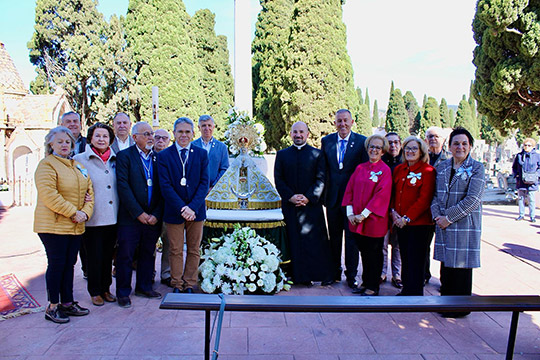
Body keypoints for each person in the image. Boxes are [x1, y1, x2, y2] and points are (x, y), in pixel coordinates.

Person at [34, 126, 93, 323]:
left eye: (67, 141)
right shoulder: (47, 165)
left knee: (70, 264)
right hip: (54, 225)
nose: (64, 145)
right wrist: (74, 212)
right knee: (57, 264)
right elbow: (50, 195)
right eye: (59, 142)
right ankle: (52, 306)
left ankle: (67, 303)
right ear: (51, 144)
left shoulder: (77, 165)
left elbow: (89, 192)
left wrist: (85, 213)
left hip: (75, 225)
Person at [431, 127, 485, 318]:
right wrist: (438, 217)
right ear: (450, 146)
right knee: (446, 266)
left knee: (461, 267)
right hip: (443, 225)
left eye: (464, 143)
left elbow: (473, 199)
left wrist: (448, 218)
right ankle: (446, 305)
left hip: (463, 225)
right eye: (456, 143)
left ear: (470, 146)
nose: (460, 147)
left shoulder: (477, 168)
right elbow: (435, 195)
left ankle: (460, 308)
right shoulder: (443, 167)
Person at [274, 121, 332, 285]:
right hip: (290, 206)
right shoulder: (282, 154)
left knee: (312, 242)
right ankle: (293, 276)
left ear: (307, 134)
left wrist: (308, 197)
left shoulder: (317, 154)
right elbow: (279, 180)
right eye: (295, 132)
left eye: (301, 132)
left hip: (311, 207)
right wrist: (290, 197)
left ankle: (312, 276)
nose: (298, 135)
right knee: (292, 240)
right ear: (290, 134)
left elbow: (321, 179)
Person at [157, 117, 209, 294]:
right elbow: (165, 186)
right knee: (175, 249)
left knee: (194, 249)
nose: (184, 135)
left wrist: (192, 207)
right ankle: (177, 283)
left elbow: (204, 183)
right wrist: (182, 208)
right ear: (174, 133)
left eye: (187, 131)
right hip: (174, 211)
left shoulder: (201, 154)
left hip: (196, 211)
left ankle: (189, 283)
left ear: (193, 133)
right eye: (180, 131)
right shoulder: (164, 156)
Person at [116, 122, 163, 308]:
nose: (151, 137)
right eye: (146, 134)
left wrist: (156, 214)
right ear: (134, 137)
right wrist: (139, 213)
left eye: (151, 133)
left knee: (148, 253)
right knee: (126, 255)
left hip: (153, 217)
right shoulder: (124, 156)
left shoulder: (159, 158)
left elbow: (163, 188)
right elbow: (123, 187)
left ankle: (144, 287)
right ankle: (123, 292)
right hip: (131, 217)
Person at [321, 109, 368, 288]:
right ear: (335, 123)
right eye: (339, 121)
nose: (342, 124)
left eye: (345, 121)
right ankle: (333, 273)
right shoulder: (327, 141)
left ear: (352, 121)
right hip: (332, 199)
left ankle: (351, 276)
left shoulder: (361, 142)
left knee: (351, 239)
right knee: (333, 238)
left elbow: (363, 172)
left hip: (352, 201)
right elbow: (324, 170)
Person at [73, 123, 118, 306]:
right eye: (98, 136)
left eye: (105, 136)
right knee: (94, 257)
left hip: (113, 216)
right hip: (93, 217)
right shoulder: (80, 159)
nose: (101, 139)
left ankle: (106, 288)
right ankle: (95, 291)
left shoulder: (115, 159)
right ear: (90, 138)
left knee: (108, 256)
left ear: (110, 140)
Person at [342, 134, 392, 296]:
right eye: (372, 146)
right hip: (356, 219)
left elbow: (381, 196)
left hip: (373, 220)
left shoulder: (384, 171)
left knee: (374, 254)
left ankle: (373, 286)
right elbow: (349, 189)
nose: (374, 150)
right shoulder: (360, 168)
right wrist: (350, 213)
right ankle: (365, 282)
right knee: (364, 252)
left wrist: (363, 215)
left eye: (378, 147)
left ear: (383, 151)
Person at [391, 136, 436, 296]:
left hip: (420, 224)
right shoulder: (399, 169)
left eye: (414, 148)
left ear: (421, 151)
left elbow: (424, 199)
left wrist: (406, 218)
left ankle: (415, 293)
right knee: (405, 257)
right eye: (407, 148)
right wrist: (394, 213)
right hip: (400, 223)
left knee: (417, 260)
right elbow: (395, 194)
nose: (410, 151)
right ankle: (406, 290)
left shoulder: (428, 171)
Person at [424, 126, 450, 285]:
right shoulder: (421, 157)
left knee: (444, 246)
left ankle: (444, 281)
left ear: (444, 140)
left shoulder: (449, 159)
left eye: (437, 136)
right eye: (430, 136)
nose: (433, 139)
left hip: (442, 209)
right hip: (424, 209)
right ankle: (424, 275)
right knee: (423, 246)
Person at [380, 132, 403, 289]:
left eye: (396, 142)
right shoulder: (381, 163)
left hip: (399, 211)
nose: (393, 145)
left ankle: (397, 274)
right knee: (382, 243)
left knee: (398, 245)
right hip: (383, 210)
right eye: (390, 143)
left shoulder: (405, 162)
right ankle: (382, 273)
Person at [153, 129, 173, 287]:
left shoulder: (172, 157)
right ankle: (149, 272)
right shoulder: (147, 156)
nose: (160, 140)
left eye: (164, 138)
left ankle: (166, 273)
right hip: (151, 207)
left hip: (168, 206)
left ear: (169, 141)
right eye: (157, 137)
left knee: (169, 242)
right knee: (150, 242)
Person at [192, 115, 229, 192]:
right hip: (195, 190)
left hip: (215, 190)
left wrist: (213, 187)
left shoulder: (222, 147)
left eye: (209, 125)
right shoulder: (192, 146)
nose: (207, 128)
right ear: (199, 128)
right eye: (203, 126)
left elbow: (224, 169)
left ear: (213, 127)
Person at [512, 138, 540, 223]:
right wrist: (516, 174)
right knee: (521, 198)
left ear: (533, 146)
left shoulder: (537, 156)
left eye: (529, 145)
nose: (526, 147)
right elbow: (514, 167)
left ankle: (532, 216)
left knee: (531, 199)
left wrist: (537, 175)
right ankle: (521, 214)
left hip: (532, 181)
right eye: (525, 145)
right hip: (521, 181)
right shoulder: (519, 156)